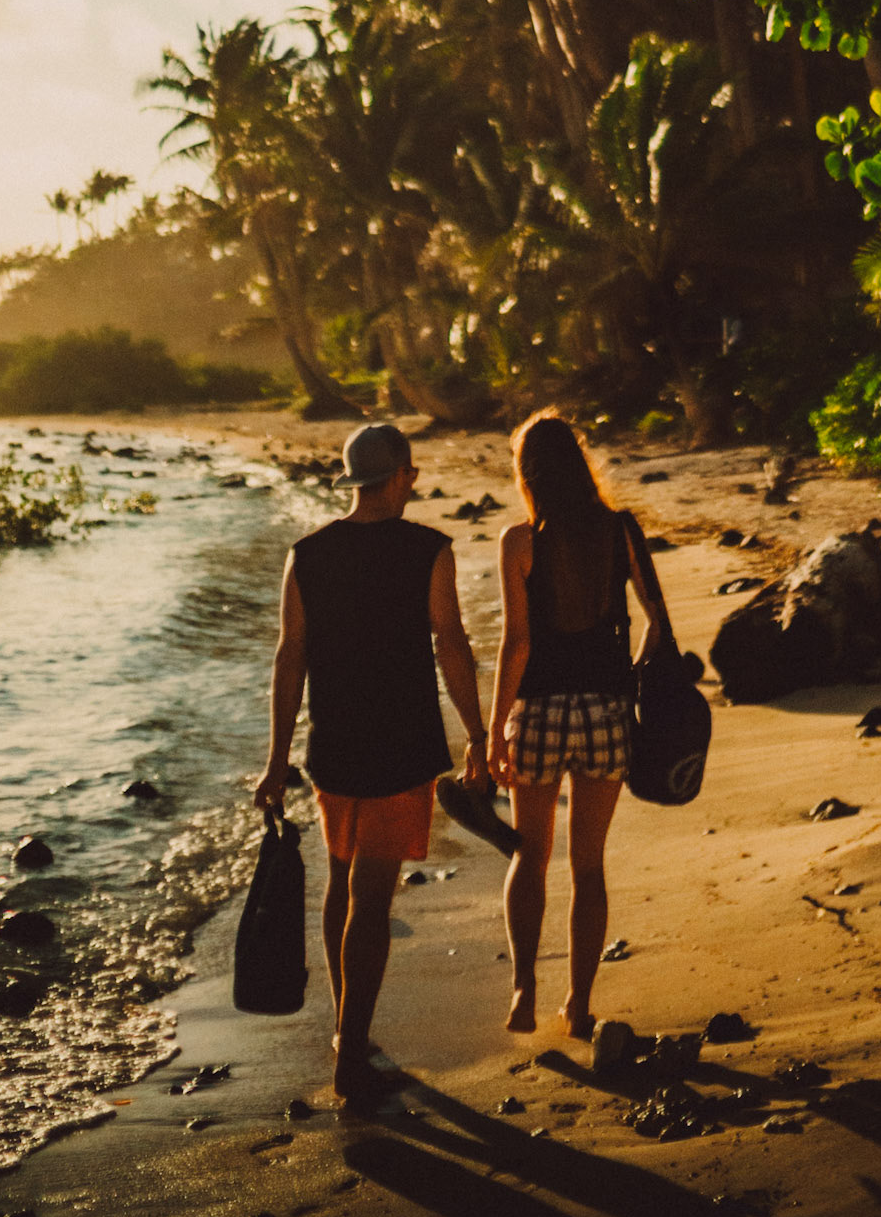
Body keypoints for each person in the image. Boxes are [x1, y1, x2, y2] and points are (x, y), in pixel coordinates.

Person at [255, 422, 492, 1106]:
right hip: (398, 744)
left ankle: (345, 1029)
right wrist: (476, 732)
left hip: (331, 746)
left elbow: (289, 655)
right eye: (411, 473)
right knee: (373, 897)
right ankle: (352, 1055)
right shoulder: (429, 551)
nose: (414, 482)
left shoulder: (307, 554)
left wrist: (277, 760)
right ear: (399, 477)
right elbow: (451, 643)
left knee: (341, 882)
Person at [487, 410, 670, 1039]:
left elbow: (517, 645)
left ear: (528, 473)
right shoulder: (618, 531)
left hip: (536, 713)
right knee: (586, 864)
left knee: (528, 856)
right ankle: (580, 1003)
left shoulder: (520, 541)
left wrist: (491, 733)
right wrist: (637, 676)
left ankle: (523, 991)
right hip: (604, 714)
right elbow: (656, 618)